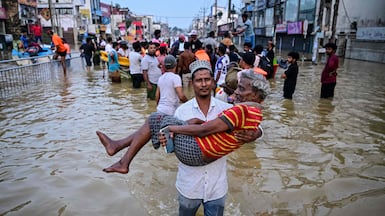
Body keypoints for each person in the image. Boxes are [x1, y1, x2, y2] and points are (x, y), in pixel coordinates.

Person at [96, 60, 263, 215]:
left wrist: (255, 133)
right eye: (199, 80)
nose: (203, 84)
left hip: (216, 186)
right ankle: (118, 150)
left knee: (155, 118)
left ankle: (118, 150)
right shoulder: (182, 111)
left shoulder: (225, 106)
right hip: (189, 185)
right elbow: (171, 145)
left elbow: (255, 126)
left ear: (213, 81)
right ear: (192, 83)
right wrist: (165, 140)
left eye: (207, 79)